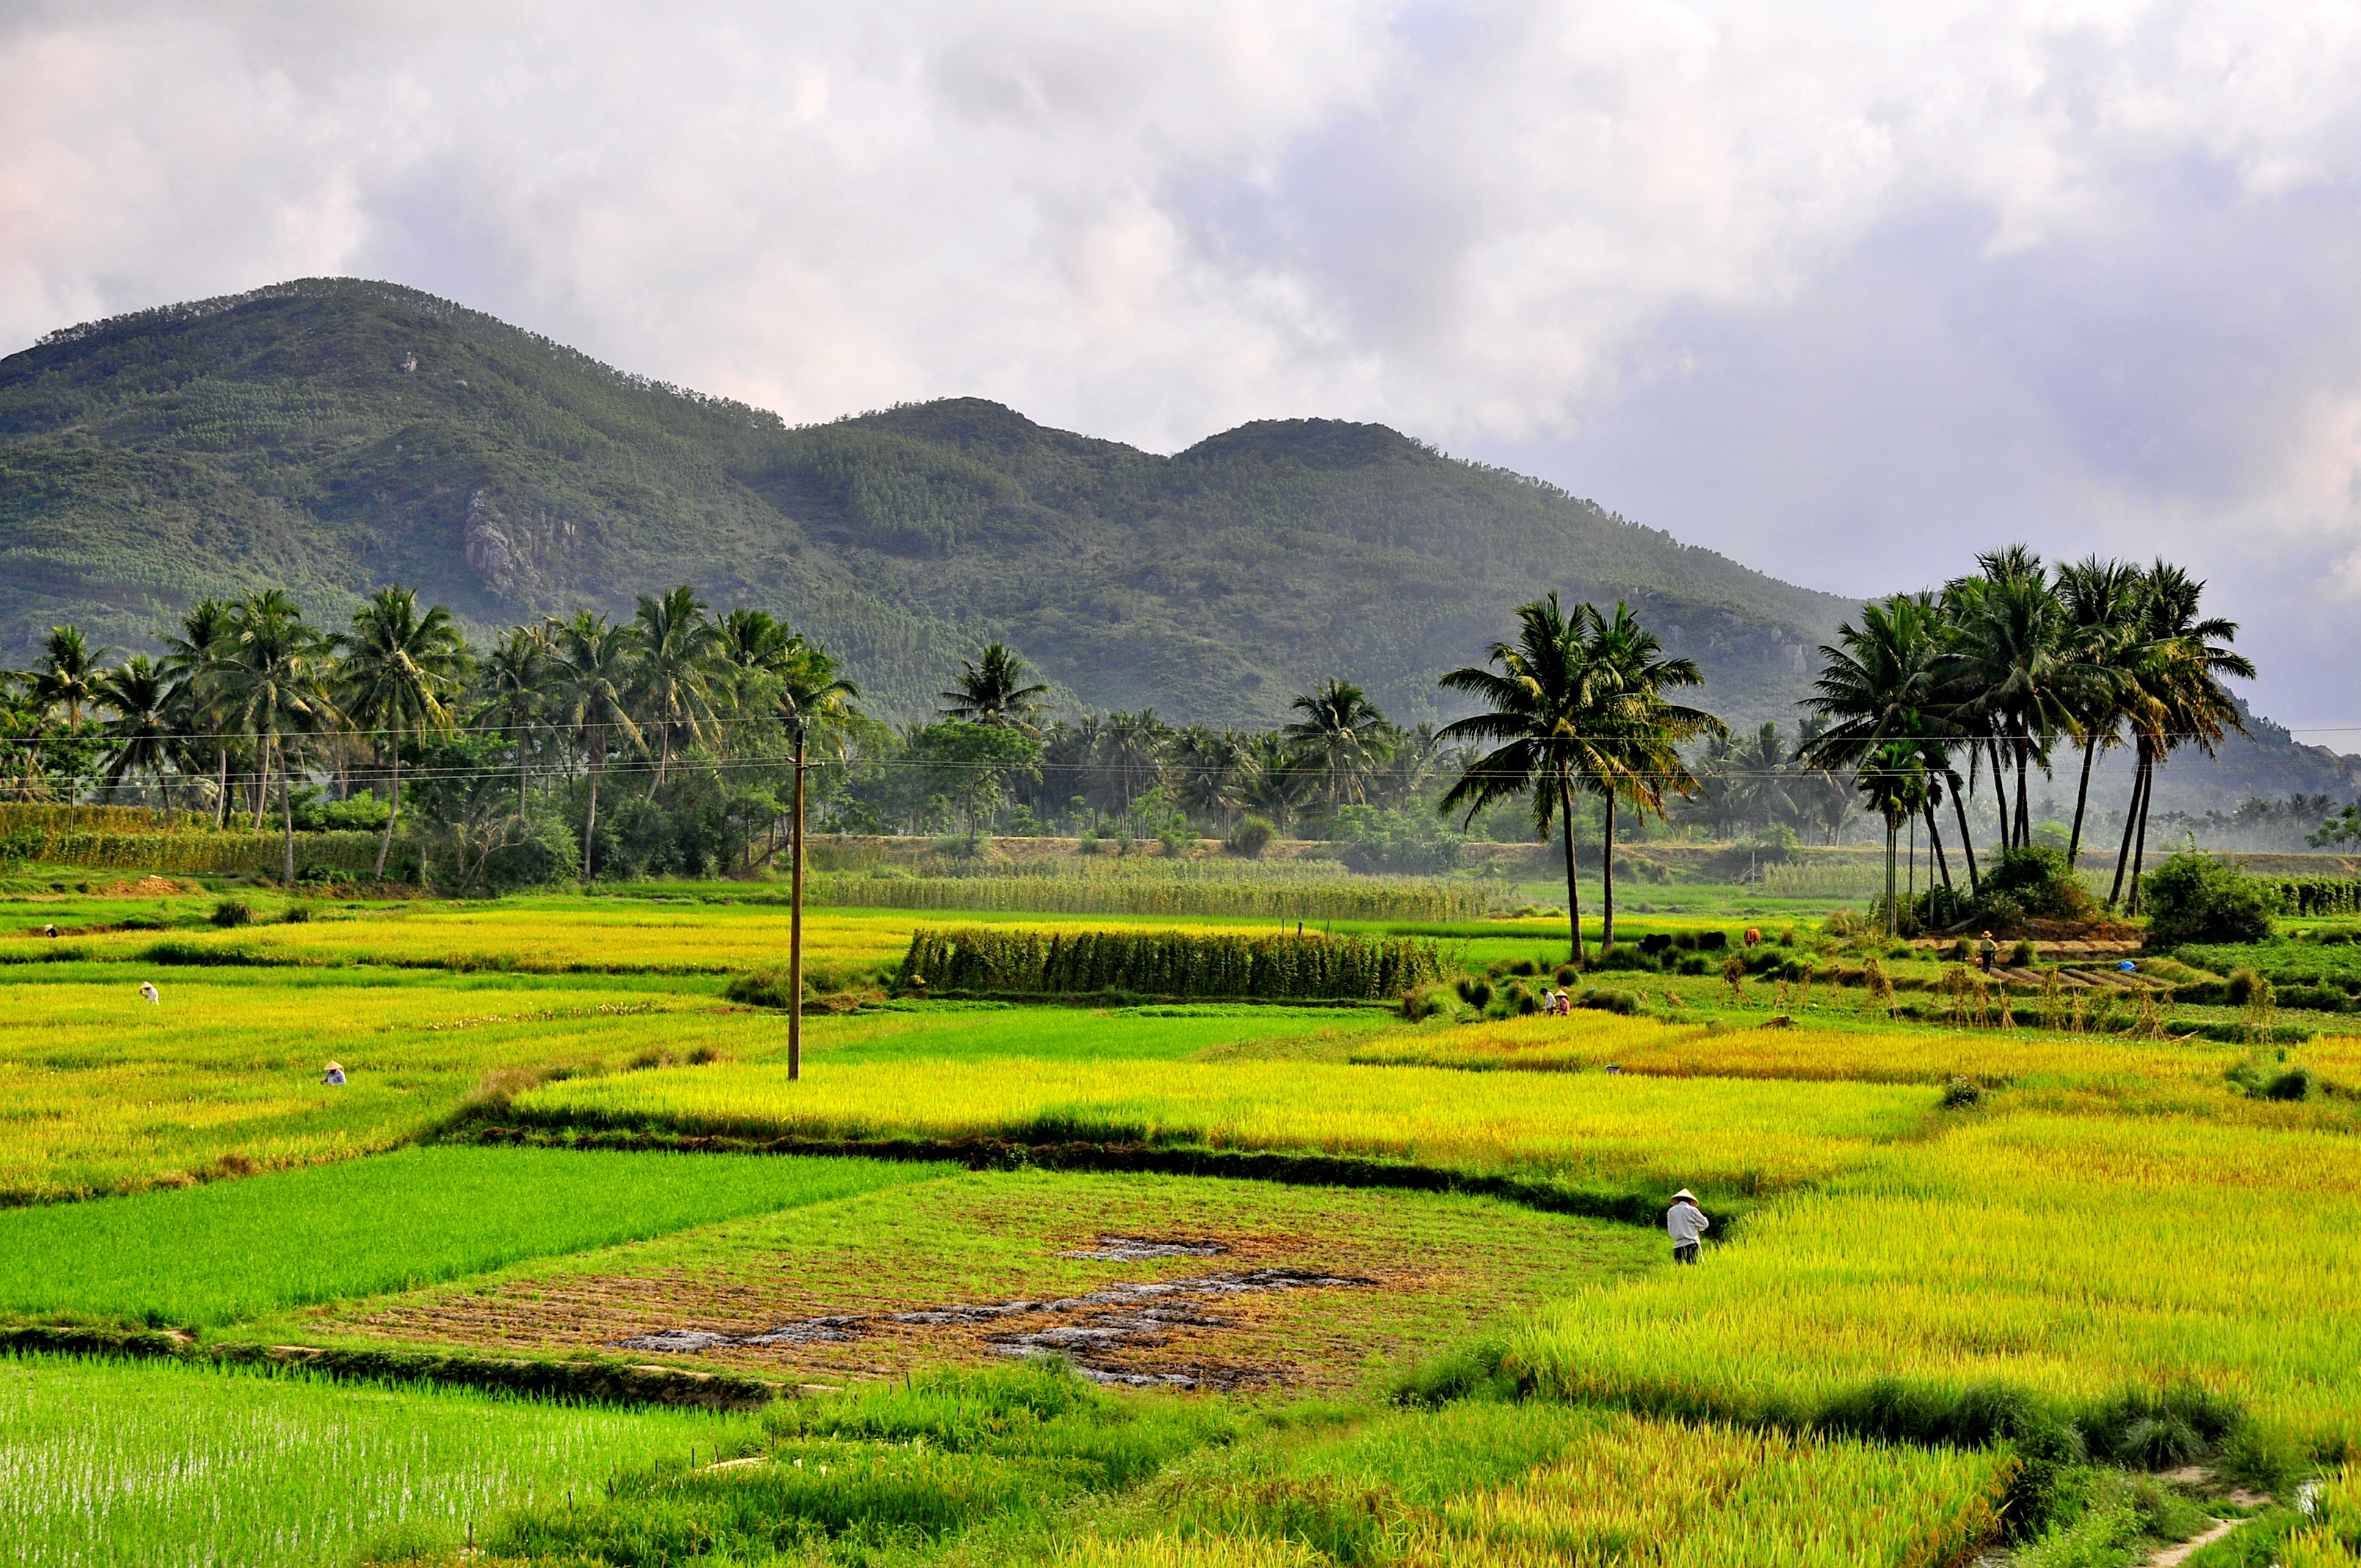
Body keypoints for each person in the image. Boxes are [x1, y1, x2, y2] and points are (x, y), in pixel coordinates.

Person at [1666, 1188, 1710, 1263]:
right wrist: (1698, 1228)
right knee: (1694, 1268)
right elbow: (1705, 1224)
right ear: (1690, 1201)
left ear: (1678, 1200)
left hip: (1677, 1246)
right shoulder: (1691, 1209)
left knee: (1680, 1269)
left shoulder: (1671, 1211)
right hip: (1691, 1244)